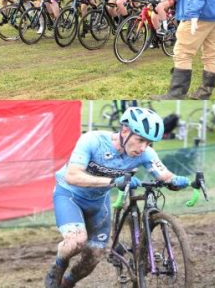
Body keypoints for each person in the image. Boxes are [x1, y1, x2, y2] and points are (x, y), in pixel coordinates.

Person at [44, 107, 196, 288]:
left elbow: (164, 175)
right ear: (125, 131)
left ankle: (67, 284)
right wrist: (113, 181)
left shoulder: (145, 153)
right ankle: (58, 265)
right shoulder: (93, 140)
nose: (143, 148)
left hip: (98, 203)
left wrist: (180, 181)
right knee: (76, 241)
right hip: (69, 195)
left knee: (94, 256)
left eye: (148, 143)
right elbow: (72, 176)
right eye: (140, 140)